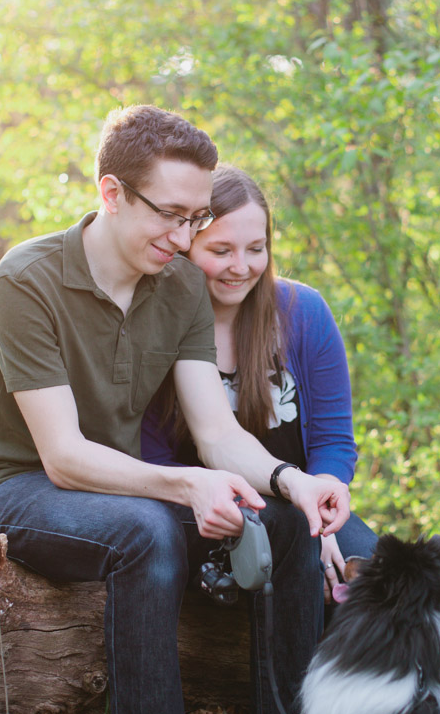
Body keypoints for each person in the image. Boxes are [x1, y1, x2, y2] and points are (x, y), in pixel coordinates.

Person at [0, 105, 350, 714]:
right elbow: (64, 458)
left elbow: (215, 433)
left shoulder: (174, 288)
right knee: (145, 533)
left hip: (127, 486)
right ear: (111, 194)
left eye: (194, 217)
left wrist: (288, 479)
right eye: (170, 215)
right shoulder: (27, 280)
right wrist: (183, 488)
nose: (184, 239)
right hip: (23, 489)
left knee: (285, 520)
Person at [141, 165, 376, 602]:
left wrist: (321, 523)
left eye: (256, 249)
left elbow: (334, 440)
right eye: (222, 250)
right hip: (201, 515)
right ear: (187, 246)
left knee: (376, 584)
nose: (241, 267)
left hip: (301, 502)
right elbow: (152, 456)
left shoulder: (302, 312)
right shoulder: (156, 325)